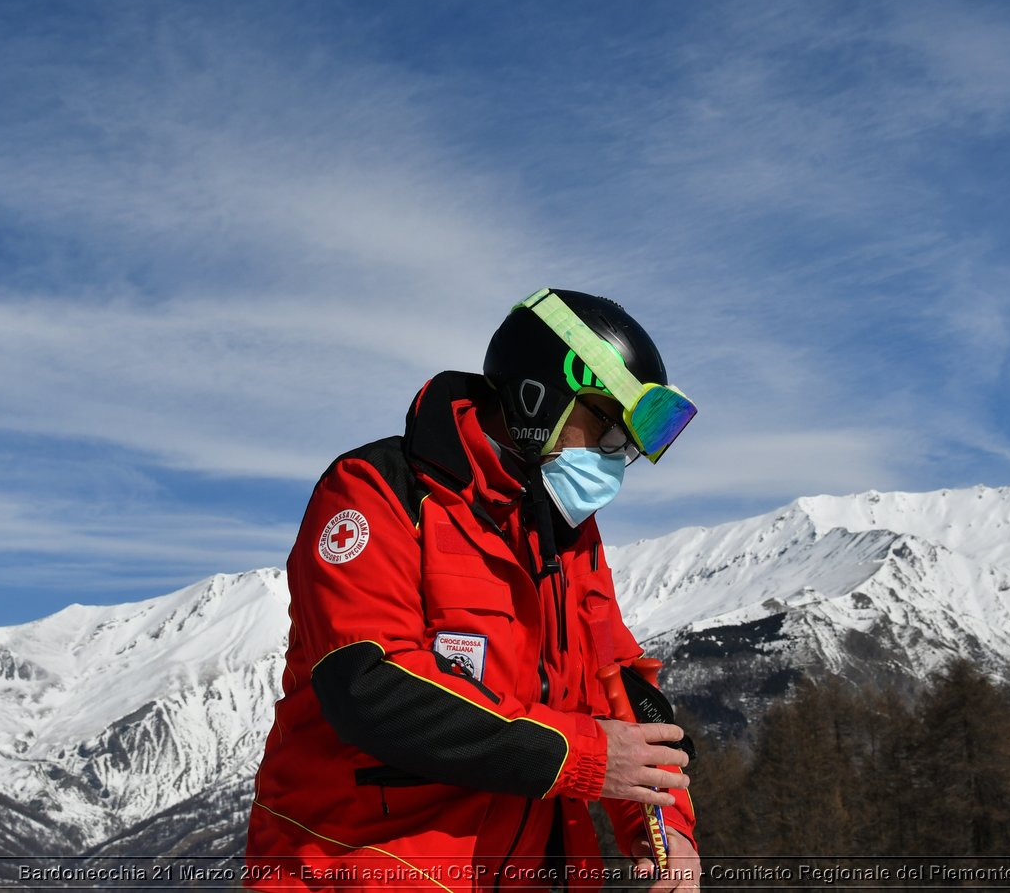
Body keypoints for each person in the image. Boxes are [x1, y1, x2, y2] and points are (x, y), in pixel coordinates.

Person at [244, 288, 701, 892]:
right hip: (366, 871)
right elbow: (369, 689)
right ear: (539, 397)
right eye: (607, 431)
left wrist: (664, 826)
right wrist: (586, 758)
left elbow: (618, 683)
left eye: (626, 446)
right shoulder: (379, 492)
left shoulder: (564, 532)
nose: (616, 459)